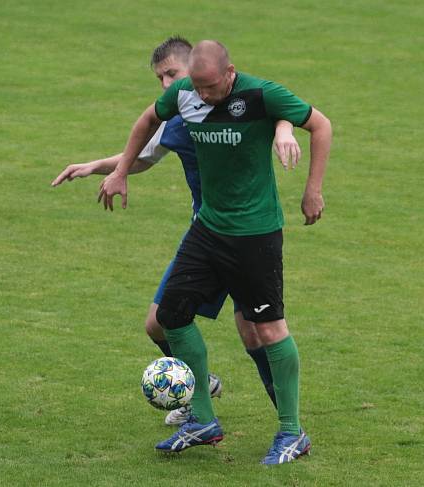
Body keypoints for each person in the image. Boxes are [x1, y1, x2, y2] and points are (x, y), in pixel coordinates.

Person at [97, 40, 331, 465]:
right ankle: (203, 419)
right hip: (208, 227)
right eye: (196, 88)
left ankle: (292, 432)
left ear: (230, 72)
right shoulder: (185, 93)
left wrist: (312, 191)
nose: (202, 96)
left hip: (255, 233)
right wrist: (119, 171)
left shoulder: (259, 93)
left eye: (210, 87)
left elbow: (321, 125)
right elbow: (148, 120)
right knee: (170, 316)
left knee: (268, 329)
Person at [52, 37, 301, 425]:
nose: (168, 84)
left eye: (173, 73)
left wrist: (285, 127)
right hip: (205, 235)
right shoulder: (183, 115)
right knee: (160, 321)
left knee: (254, 333)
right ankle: (197, 387)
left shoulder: (225, 104)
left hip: (245, 233)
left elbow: (279, 107)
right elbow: (143, 156)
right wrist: (97, 166)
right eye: (160, 78)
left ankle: (287, 422)